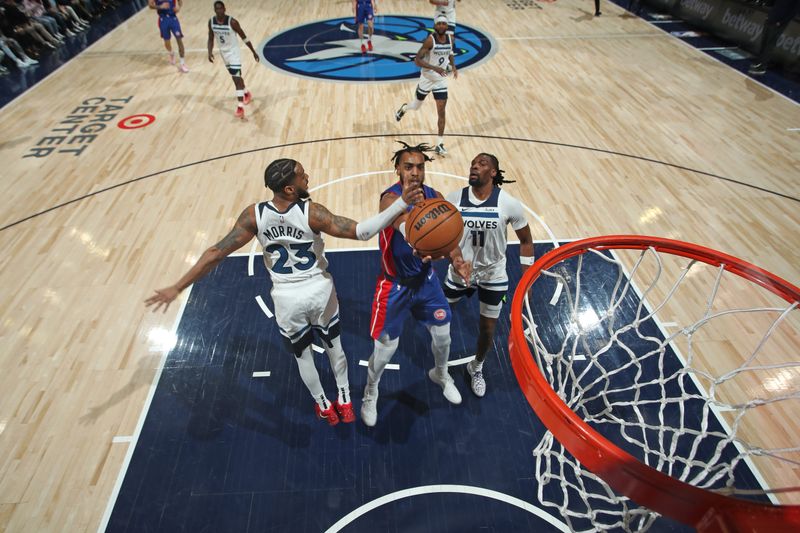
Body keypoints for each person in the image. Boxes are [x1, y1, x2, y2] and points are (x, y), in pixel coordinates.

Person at [145, 158, 423, 426]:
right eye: (302, 176)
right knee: (334, 348)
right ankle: (345, 400)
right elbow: (362, 232)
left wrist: (178, 286)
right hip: (319, 292)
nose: (307, 178)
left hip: (286, 299)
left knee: (303, 356)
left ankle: (324, 405)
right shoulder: (312, 212)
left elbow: (216, 253)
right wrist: (401, 203)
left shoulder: (253, 215)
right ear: (290, 188)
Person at [361, 142, 472, 427]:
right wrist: (421, 241)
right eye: (408, 166)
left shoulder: (435, 197)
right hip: (394, 285)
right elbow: (408, 229)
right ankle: (371, 391)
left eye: (420, 167)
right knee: (385, 350)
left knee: (444, 335)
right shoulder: (389, 198)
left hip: (426, 283)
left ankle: (440, 373)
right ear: (398, 169)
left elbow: (447, 238)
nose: (414, 172)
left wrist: (457, 259)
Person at [443, 153, 533, 397]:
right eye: (472, 163)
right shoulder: (454, 199)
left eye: (481, 164)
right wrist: (457, 259)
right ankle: (441, 368)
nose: (474, 166)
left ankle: (477, 367)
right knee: (439, 319)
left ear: (493, 172)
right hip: (459, 272)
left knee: (488, 328)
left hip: (493, 274)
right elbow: (447, 237)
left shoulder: (509, 204)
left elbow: (525, 241)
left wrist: (527, 278)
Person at [394, 15, 457, 156]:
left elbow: (450, 52)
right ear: (435, 26)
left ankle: (439, 144)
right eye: (439, 23)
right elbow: (417, 60)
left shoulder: (451, 39)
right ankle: (404, 108)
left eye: (443, 24)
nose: (441, 26)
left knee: (441, 111)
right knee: (416, 106)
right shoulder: (430, 40)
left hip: (440, 80)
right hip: (427, 77)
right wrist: (435, 68)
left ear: (446, 26)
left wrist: (454, 66)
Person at [208, 1, 260, 119]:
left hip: (234, 53)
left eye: (221, 8)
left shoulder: (232, 22)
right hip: (224, 54)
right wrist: (209, 51)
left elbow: (244, 37)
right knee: (235, 77)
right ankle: (246, 93)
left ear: (225, 9)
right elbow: (210, 38)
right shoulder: (211, 22)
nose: (219, 11)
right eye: (217, 9)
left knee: (236, 80)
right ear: (214, 10)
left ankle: (240, 107)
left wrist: (253, 52)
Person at [748, 0, 800, 76]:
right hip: (771, 18)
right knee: (764, 42)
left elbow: (793, 12)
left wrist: (781, 22)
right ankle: (758, 62)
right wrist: (768, 16)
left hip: (778, 23)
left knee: (769, 44)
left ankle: (762, 67)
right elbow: (774, 4)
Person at [148, 0, 188, 73]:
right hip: (163, 20)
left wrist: (178, 7)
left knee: (179, 40)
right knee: (167, 42)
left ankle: (182, 63)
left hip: (173, 19)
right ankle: (171, 52)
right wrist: (160, 6)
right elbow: (150, 5)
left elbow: (180, 1)